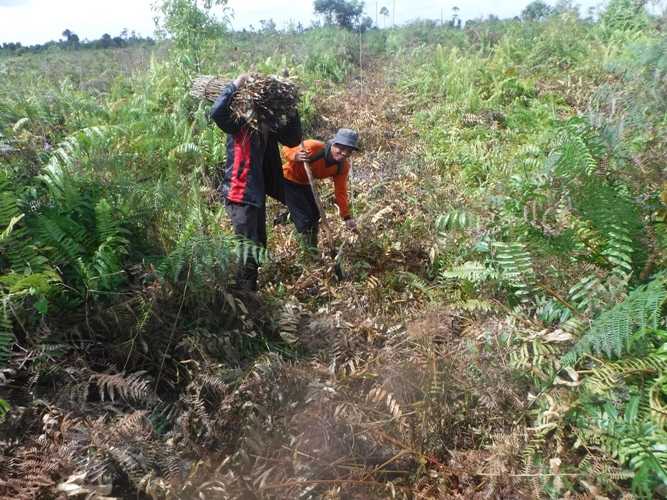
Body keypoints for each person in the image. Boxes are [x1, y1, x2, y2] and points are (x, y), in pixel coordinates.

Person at [210, 74, 302, 291]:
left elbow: (293, 139)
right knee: (248, 245)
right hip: (239, 192)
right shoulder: (238, 123)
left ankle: (249, 288)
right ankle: (244, 293)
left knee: (258, 242)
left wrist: (291, 107)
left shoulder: (268, 126)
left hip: (256, 193)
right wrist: (236, 84)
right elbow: (216, 112)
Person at [281, 129, 359, 249]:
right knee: (305, 220)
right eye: (341, 148)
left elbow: (341, 191)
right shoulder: (313, 147)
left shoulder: (342, 166)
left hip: (306, 183)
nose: (344, 153)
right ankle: (308, 253)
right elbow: (286, 148)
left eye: (349, 151)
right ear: (334, 144)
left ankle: (312, 246)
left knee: (315, 216)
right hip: (287, 179)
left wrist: (346, 217)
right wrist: (294, 156)